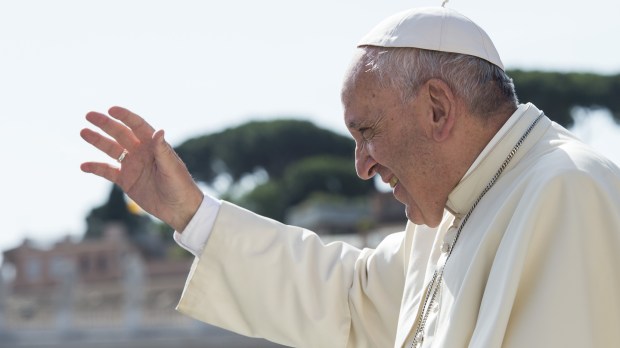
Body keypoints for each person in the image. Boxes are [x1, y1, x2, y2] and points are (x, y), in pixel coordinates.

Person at [80, 6, 620, 348]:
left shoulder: (566, 189)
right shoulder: (450, 218)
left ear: (437, 108)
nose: (361, 165)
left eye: (368, 132)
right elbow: (344, 300)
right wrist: (190, 213)